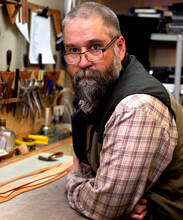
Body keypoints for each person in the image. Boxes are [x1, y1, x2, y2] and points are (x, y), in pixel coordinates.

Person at [62, 2, 183, 219]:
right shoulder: (97, 93)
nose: (83, 62)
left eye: (95, 47)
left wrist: (72, 179)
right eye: (73, 50)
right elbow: (88, 169)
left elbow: (104, 207)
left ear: (119, 47)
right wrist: (94, 186)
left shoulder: (136, 107)